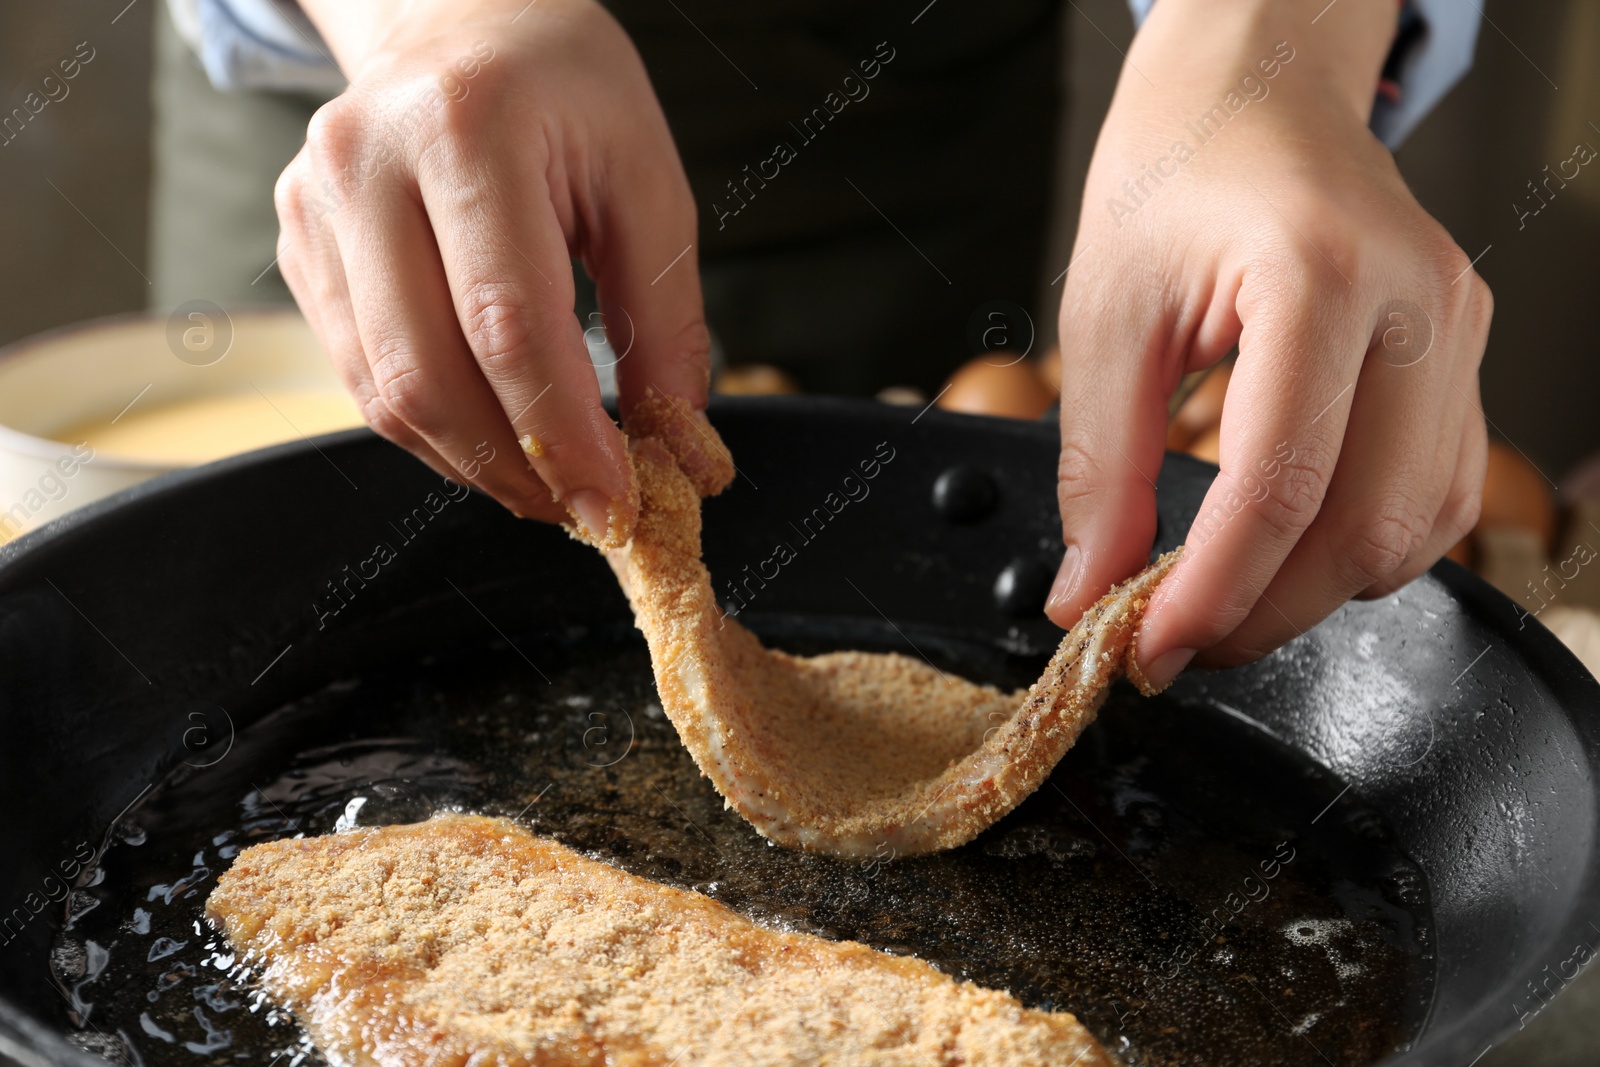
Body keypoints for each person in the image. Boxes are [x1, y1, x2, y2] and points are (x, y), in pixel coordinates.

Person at [158, 0, 1489, 685]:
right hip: (358, 78)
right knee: (268, 596)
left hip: (895, 93)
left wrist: (1264, 52)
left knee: (890, 511)